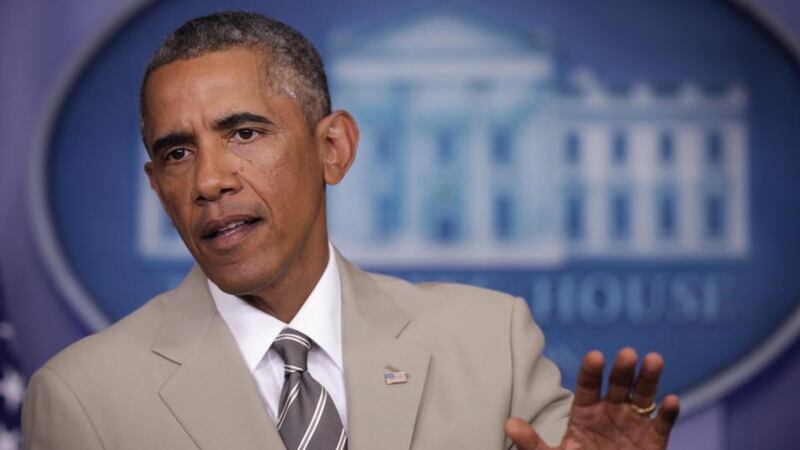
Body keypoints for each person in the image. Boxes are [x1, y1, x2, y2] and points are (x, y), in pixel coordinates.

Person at [21, 11, 679, 450]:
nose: (209, 181)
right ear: (157, 186)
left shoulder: (491, 342)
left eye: (243, 133)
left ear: (333, 148)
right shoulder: (83, 399)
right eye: (176, 153)